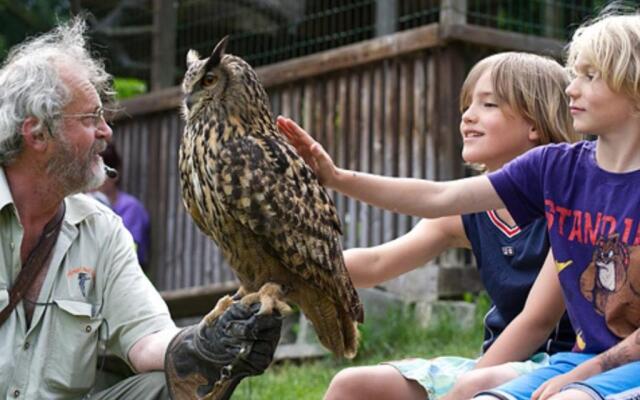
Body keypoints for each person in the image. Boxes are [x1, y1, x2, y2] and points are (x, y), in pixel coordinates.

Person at [279, 11, 640, 400]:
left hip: (564, 362)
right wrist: (332, 187)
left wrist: (467, 387)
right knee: (354, 385)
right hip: (552, 365)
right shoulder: (557, 173)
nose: (467, 116)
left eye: (590, 76)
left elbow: (536, 321)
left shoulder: (563, 198)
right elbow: (432, 202)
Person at [0, 18, 281, 399]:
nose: (107, 131)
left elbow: (147, 338)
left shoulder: (102, 230)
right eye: (90, 118)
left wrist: (207, 345)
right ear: (36, 133)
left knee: (171, 386)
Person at [94, 142, 151, 268]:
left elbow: (130, 253)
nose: (93, 180)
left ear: (114, 174)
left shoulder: (130, 208)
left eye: (99, 172)